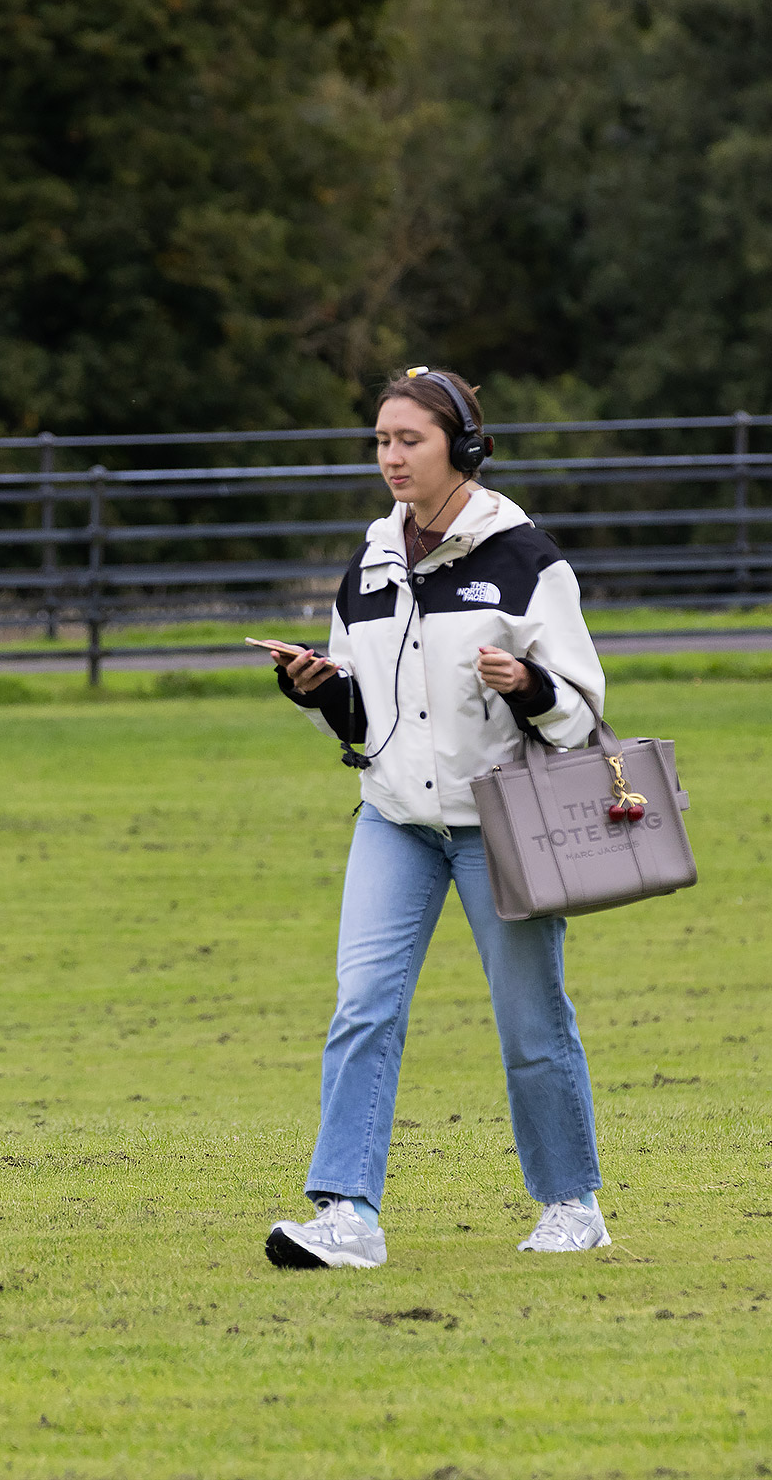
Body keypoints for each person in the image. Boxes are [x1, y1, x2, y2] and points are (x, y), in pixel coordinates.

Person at [253, 366, 611, 1269]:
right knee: (363, 1007)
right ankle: (347, 1213)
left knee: (531, 1018)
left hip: (503, 823)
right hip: (394, 822)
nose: (391, 457)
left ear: (464, 446)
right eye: (381, 441)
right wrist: (320, 693)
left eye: (409, 439)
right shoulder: (368, 564)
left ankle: (572, 1203)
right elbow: (368, 726)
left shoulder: (527, 558)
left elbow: (584, 711)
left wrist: (529, 684)